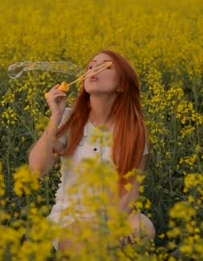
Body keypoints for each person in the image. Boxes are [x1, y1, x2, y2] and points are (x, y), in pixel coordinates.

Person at [28, 50, 155, 253]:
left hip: (115, 216)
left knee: (143, 227)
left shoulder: (134, 129)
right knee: (94, 241)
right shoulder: (70, 119)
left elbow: (130, 190)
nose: (94, 68)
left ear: (122, 84)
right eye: (91, 65)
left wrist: (112, 226)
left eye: (106, 66)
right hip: (71, 219)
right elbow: (37, 168)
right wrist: (55, 116)